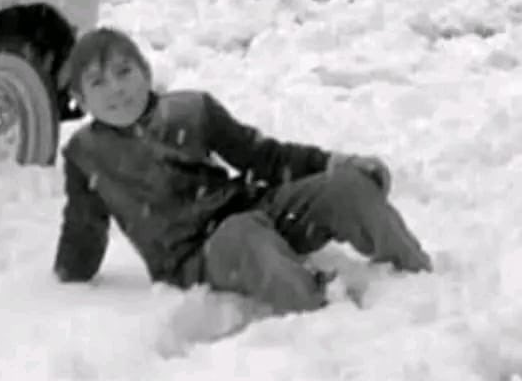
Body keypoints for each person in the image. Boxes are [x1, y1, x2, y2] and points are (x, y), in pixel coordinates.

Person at [52, 28, 433, 314]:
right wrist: (70, 273)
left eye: (124, 72)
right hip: (195, 257)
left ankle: (418, 277)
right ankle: (320, 309)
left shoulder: (193, 109)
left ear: (146, 73)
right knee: (243, 234)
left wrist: (332, 164)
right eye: (98, 82)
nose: (116, 89)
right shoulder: (85, 155)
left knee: (347, 187)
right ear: (83, 101)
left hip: (255, 209)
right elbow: (84, 226)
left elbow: (263, 156)